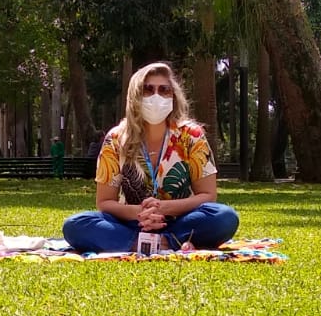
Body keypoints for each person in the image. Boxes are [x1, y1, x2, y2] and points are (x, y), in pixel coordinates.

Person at [62, 61, 239, 253]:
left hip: (180, 222)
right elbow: (104, 202)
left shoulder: (191, 136)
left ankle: (158, 242)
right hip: (131, 223)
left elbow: (207, 195)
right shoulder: (115, 139)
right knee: (75, 224)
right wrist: (140, 213)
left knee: (225, 216)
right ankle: (151, 243)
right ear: (135, 96)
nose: (157, 96)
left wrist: (163, 208)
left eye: (164, 90)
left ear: (174, 97)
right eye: (148, 89)